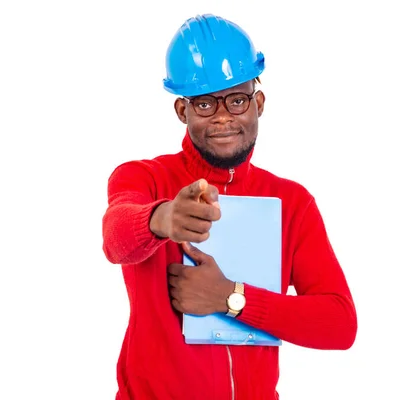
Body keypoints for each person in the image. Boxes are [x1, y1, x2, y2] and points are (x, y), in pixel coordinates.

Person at [102, 13, 357, 400]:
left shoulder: (293, 202)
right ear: (182, 111)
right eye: (204, 103)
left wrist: (229, 298)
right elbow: (115, 236)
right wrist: (162, 218)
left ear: (259, 102)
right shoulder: (143, 178)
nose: (223, 117)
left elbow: (339, 325)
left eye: (236, 100)